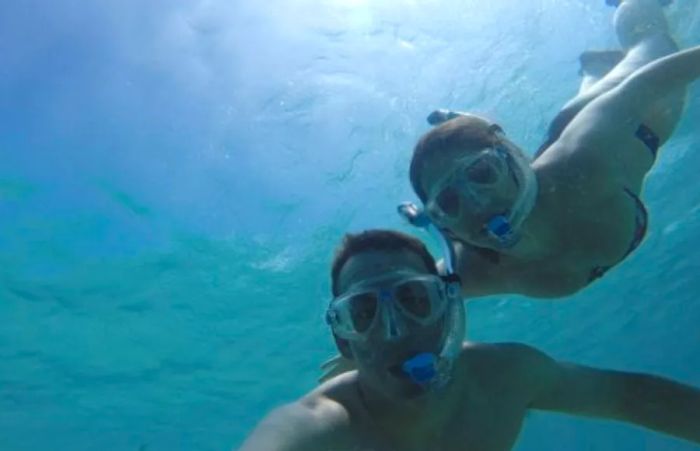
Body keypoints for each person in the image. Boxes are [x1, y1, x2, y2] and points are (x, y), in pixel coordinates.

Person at [239, 230, 700, 451]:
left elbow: (634, 398)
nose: (394, 330)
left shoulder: (506, 376)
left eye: (414, 298)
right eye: (362, 315)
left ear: (450, 308)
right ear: (345, 343)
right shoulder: (322, 427)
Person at [408, 0, 700, 298]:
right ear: (442, 222)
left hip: (628, 127)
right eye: (448, 201)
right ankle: (595, 70)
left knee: (653, 43)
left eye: (482, 173)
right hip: (567, 137)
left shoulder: (581, 161)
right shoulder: (471, 270)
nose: (476, 203)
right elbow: (386, 293)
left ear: (510, 158)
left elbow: (646, 84)